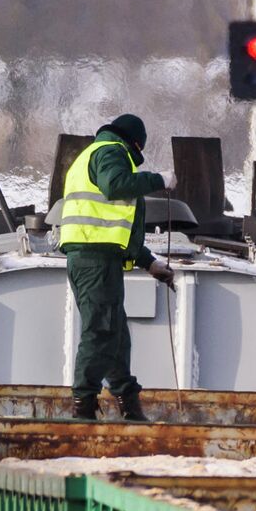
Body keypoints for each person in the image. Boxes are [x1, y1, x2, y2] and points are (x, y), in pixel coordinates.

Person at [55, 113, 173, 421]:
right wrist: (158, 180)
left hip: (98, 257)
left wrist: (150, 263)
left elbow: (115, 228)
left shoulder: (97, 154)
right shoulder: (110, 152)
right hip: (94, 260)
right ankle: (83, 407)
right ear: (134, 143)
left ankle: (129, 404)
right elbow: (116, 185)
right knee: (100, 331)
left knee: (115, 335)